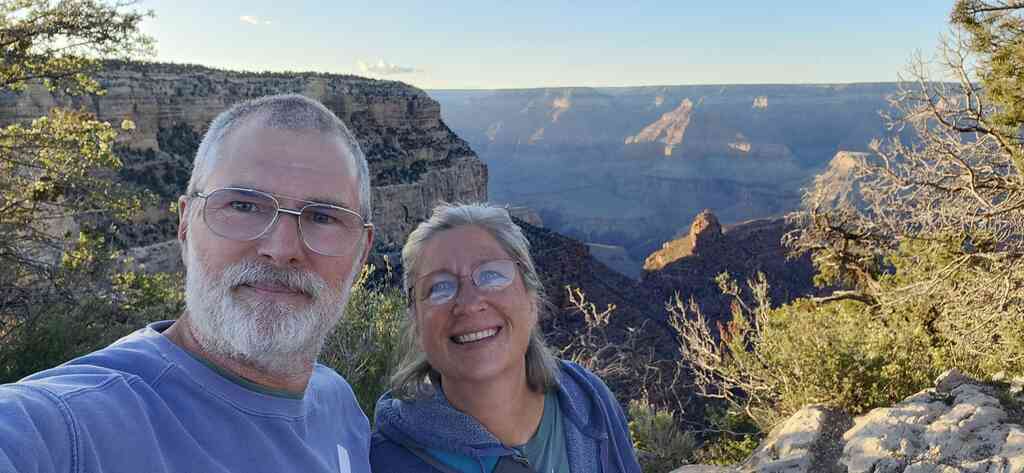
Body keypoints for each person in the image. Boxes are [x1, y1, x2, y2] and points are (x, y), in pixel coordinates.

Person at [0, 94, 376, 473]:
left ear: (363, 251)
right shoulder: (72, 427)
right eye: (244, 205)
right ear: (184, 225)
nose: (281, 250)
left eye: (323, 217)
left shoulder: (340, 408)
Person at [370, 202, 641, 473]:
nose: (469, 303)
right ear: (417, 322)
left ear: (531, 301)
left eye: (491, 275)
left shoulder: (589, 401)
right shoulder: (384, 462)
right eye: (440, 286)